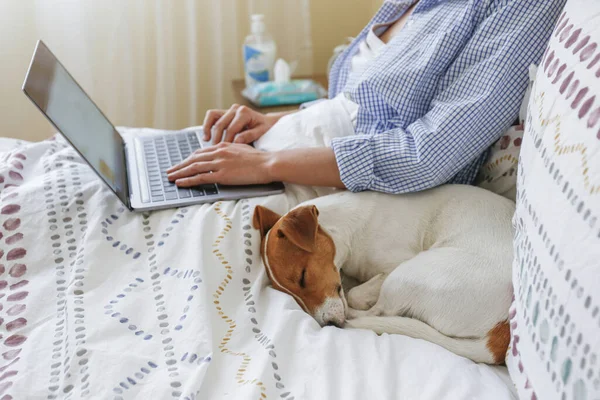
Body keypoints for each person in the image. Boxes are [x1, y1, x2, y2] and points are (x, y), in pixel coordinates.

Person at [168, 0, 566, 194]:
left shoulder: (524, 5)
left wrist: (267, 163)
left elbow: (428, 156)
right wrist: (278, 121)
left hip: (336, 187)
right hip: (292, 154)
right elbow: (357, 98)